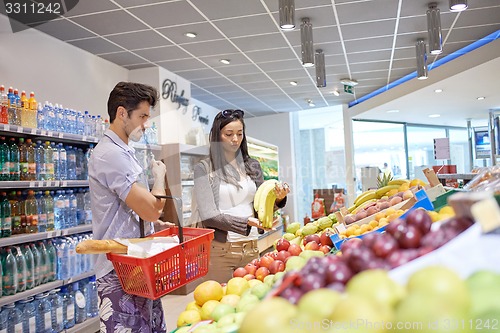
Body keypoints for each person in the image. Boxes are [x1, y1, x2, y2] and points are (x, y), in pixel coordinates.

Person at [88, 82, 173, 332]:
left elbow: (133, 208)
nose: (146, 124)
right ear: (122, 113)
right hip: (118, 269)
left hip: (135, 263)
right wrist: (160, 176)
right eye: (142, 116)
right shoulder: (111, 154)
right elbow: (149, 208)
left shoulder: (124, 151)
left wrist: (152, 223)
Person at [192, 109, 290, 283]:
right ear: (217, 136)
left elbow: (261, 205)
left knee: (250, 301)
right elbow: (208, 215)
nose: (235, 139)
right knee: (220, 302)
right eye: (228, 134)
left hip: (251, 246)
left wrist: (279, 199)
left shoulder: (253, 166)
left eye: (239, 133)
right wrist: (246, 222)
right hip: (219, 251)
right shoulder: (204, 168)